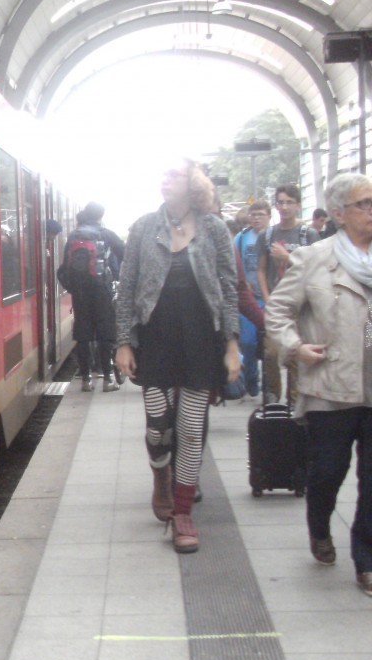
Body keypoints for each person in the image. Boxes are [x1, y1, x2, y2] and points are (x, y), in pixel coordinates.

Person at [114, 159, 240, 554]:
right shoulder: (143, 227)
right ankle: (160, 474)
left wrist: (232, 344)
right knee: (158, 425)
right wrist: (123, 342)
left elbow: (228, 287)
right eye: (163, 173)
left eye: (174, 174)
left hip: (202, 340)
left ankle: (182, 513)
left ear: (193, 184)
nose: (165, 179)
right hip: (156, 340)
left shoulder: (215, 228)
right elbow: (127, 286)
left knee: (190, 429)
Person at [265, 172, 372, 596]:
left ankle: (366, 559)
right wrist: (295, 347)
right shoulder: (313, 258)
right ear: (340, 213)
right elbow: (278, 311)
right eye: (365, 204)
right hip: (331, 384)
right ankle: (320, 527)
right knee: (327, 472)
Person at [257, 184, 319, 405]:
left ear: (298, 205)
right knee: (271, 354)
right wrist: (267, 298)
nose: (284, 207)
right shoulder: (267, 235)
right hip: (276, 305)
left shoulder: (309, 235)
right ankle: (273, 397)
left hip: (301, 306)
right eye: (280, 202)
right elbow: (261, 269)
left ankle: (294, 404)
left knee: (296, 355)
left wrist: (287, 257)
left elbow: (316, 269)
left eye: (289, 202)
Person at [60, 202, 125, 392]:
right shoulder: (106, 234)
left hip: (80, 292)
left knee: (83, 335)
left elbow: (64, 267)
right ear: (100, 216)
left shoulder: (74, 236)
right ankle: (107, 379)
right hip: (102, 290)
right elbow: (125, 254)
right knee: (106, 334)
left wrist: (73, 288)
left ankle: (86, 379)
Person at [234, 200, 271, 397]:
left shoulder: (274, 236)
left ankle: (270, 386)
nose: (257, 218)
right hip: (248, 298)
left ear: (269, 217)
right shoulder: (241, 238)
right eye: (253, 214)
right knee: (248, 342)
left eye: (261, 214)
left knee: (270, 347)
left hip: (271, 298)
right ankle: (251, 380)